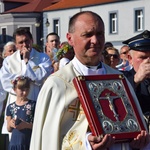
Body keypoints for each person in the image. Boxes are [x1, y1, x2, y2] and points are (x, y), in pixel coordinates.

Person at [30, 11, 149, 150]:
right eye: (87, 35)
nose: (95, 41)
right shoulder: (57, 84)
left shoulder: (119, 80)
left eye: (100, 34)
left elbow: (134, 131)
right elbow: (48, 141)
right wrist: (85, 143)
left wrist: (138, 142)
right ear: (70, 38)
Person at [0, 27, 52, 141]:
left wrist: (27, 62)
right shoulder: (9, 61)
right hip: (15, 104)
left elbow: (41, 77)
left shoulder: (43, 58)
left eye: (27, 40)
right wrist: (27, 77)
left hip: (35, 100)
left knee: (35, 139)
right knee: (16, 140)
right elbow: (5, 81)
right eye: (20, 42)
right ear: (16, 44)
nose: (24, 44)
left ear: (32, 40)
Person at [122, 30, 150, 133]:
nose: (148, 61)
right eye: (142, 57)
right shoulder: (122, 78)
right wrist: (135, 80)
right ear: (130, 59)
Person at [6, 76, 36, 150]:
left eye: (27, 89)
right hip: (14, 144)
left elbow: (37, 126)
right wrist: (10, 123)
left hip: (28, 143)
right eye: (22, 90)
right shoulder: (10, 107)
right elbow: (9, 129)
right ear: (14, 89)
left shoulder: (33, 105)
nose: (25, 92)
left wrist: (26, 125)